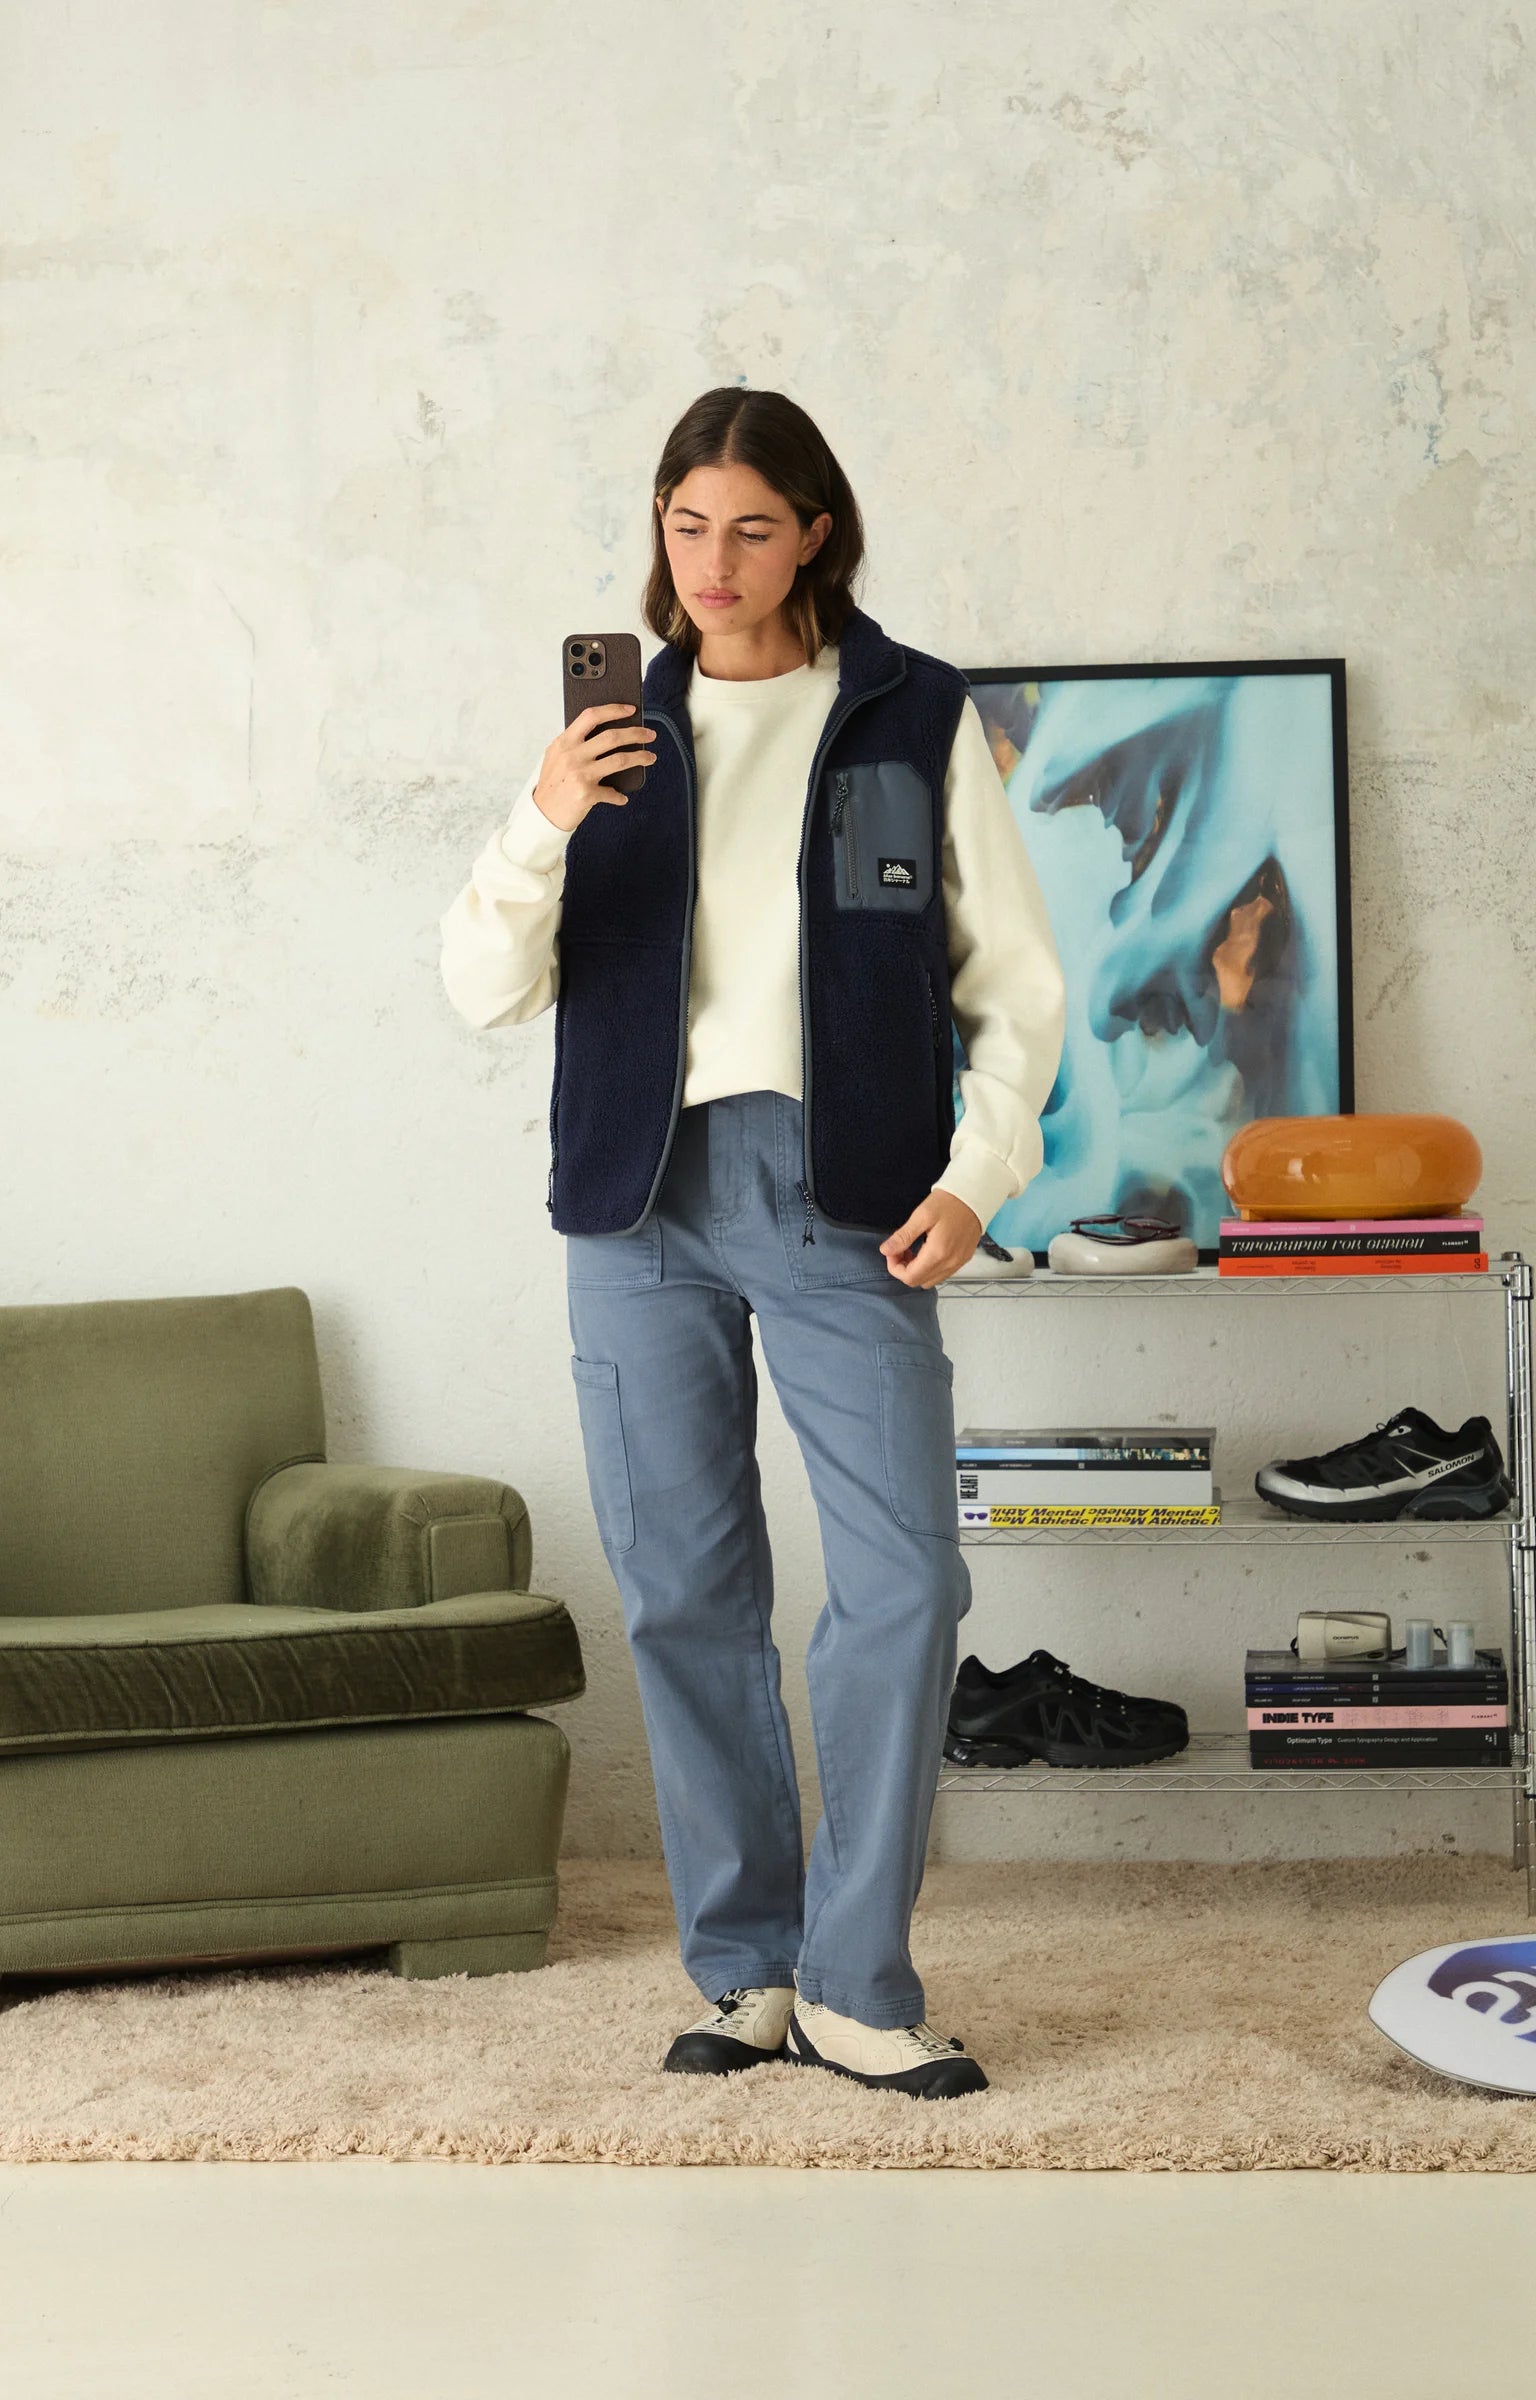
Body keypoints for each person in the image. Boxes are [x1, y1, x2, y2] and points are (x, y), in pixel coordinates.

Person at [438, 387, 1066, 2099]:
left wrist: (979, 1175)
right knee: (685, 1594)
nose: (714, 562)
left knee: (905, 1581)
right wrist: (545, 815)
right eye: (686, 524)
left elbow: (1016, 983)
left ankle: (859, 1981)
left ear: (816, 536)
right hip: (633, 1204)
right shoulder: (610, 740)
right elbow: (482, 988)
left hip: (842, 1189)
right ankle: (750, 1973)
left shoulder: (910, 713)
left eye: (753, 528)